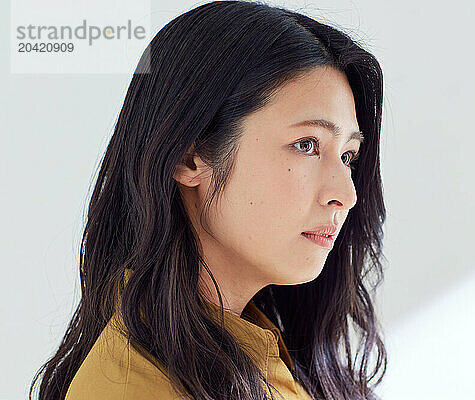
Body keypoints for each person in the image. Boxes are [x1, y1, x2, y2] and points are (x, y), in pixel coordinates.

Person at [29, 1, 387, 399]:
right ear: (190, 157)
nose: (346, 195)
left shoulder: (262, 352)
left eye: (347, 156)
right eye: (307, 145)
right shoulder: (134, 388)